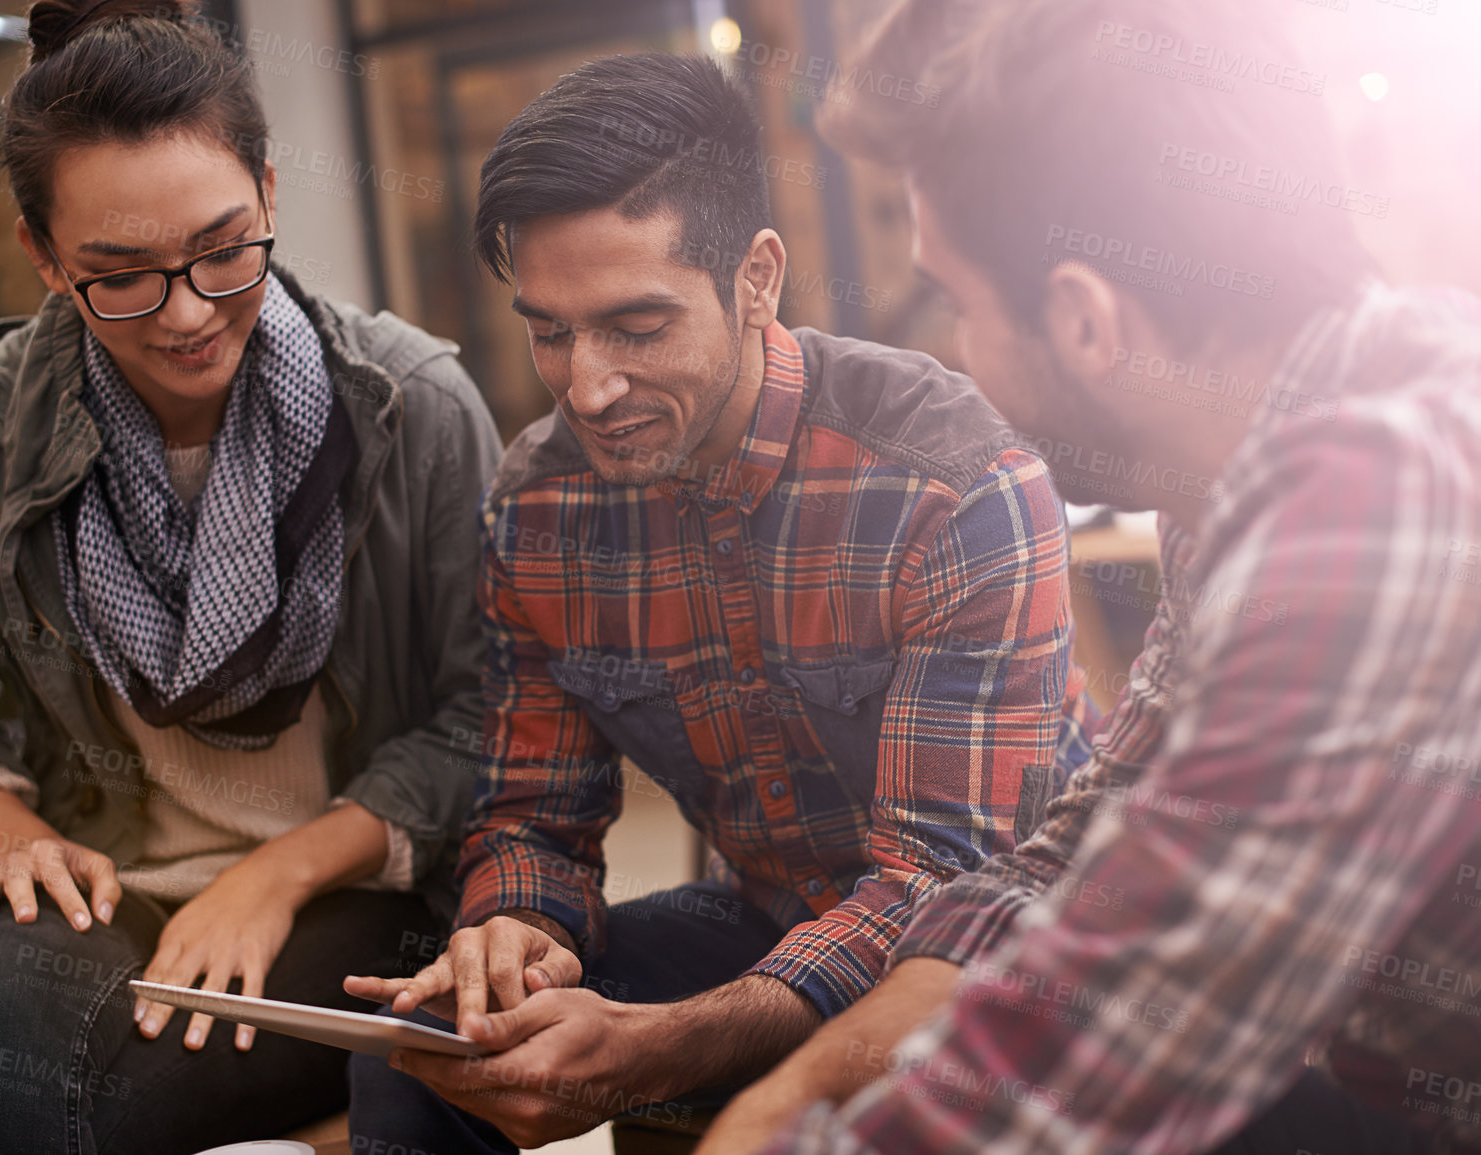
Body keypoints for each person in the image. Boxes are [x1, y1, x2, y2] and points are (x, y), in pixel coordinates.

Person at [693, 2, 1481, 1153]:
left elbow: (1128, 1025)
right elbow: (1087, 851)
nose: (956, 350)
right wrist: (793, 1094)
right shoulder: (1252, 471)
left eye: (958, 302)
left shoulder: (1385, 488)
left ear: (1084, 318)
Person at [343, 52, 1097, 1152]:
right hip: (773, 921)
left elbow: (943, 886)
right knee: (428, 1048)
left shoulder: (950, 485)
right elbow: (533, 814)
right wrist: (515, 925)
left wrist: (661, 1046)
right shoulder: (539, 504)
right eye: (549, 330)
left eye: (636, 328)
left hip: (1002, 957)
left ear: (756, 278)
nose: (586, 387)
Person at [0, 1, 501, 1151]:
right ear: (44, 257)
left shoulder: (414, 409)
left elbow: (487, 715)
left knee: (89, 1110)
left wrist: (278, 875)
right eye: (122, 275)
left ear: (269, 191)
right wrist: (12, 835)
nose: (191, 312)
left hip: (365, 894)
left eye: (223, 248)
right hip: (104, 876)